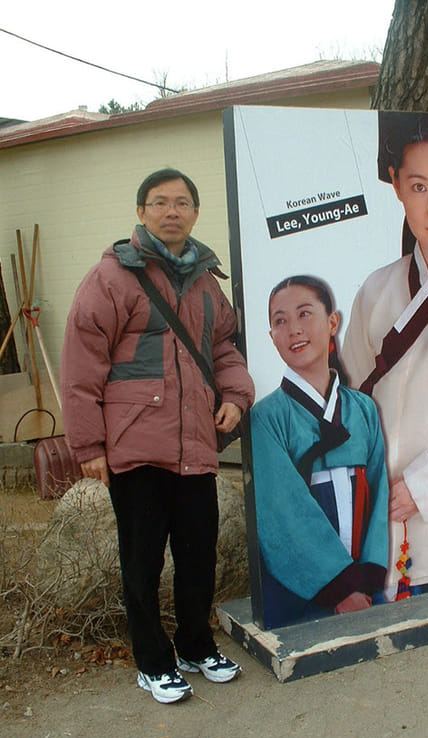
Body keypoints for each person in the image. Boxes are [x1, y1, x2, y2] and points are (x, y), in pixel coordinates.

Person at [60, 168, 255, 704]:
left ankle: (195, 645)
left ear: (195, 212)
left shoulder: (208, 282)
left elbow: (223, 350)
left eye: (183, 203)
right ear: (141, 212)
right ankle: (152, 661)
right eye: (160, 202)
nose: (173, 211)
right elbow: (81, 365)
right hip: (135, 447)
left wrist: (236, 397)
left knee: (198, 554)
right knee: (142, 561)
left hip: (195, 445)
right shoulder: (112, 279)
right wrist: (89, 447)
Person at [342, 112, 428, 602]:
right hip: (379, 531)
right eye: (419, 187)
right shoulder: (377, 289)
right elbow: (351, 401)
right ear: (396, 185)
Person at [250, 276, 389, 629]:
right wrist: (341, 589)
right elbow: (284, 512)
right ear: (272, 337)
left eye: (305, 314)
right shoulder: (266, 418)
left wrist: (368, 579)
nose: (293, 329)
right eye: (280, 321)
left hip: (363, 582)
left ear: (333, 322)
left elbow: (379, 494)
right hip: (298, 587)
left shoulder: (363, 409)